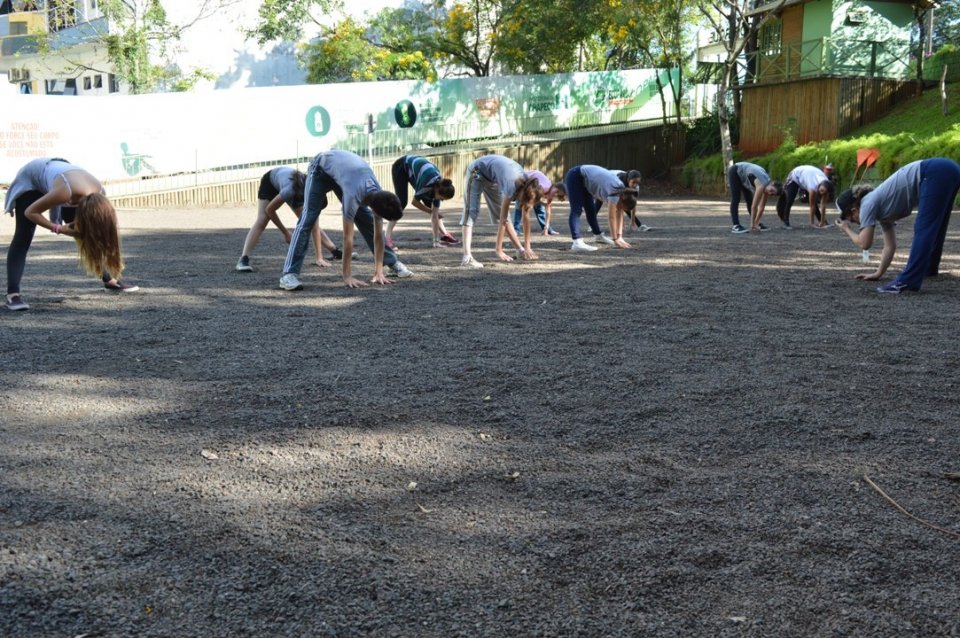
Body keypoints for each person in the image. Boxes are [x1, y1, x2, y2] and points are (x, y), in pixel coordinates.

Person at [3, 157, 136, 311]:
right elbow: (30, 212)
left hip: (64, 180)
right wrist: (58, 228)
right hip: (32, 179)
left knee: (88, 234)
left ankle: (109, 279)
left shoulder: (99, 194)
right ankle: (13, 295)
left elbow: (92, 231)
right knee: (23, 237)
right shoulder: (65, 192)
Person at [278, 150, 411, 290]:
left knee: (366, 219)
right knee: (308, 217)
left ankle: (391, 262)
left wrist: (379, 272)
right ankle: (288, 275)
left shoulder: (380, 195)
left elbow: (378, 236)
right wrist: (347, 276)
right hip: (321, 169)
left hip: (346, 173)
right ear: (376, 210)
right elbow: (348, 238)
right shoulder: (353, 195)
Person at [834, 157, 960, 294]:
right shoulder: (880, 209)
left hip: (933, 172)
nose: (856, 223)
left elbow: (865, 243)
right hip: (946, 169)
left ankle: (908, 281)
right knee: (937, 225)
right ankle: (929, 268)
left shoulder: (867, 204)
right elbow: (890, 246)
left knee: (924, 228)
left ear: (854, 210)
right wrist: (878, 273)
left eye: (852, 221)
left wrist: (846, 228)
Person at [236, 166, 344, 272]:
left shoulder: (313, 191)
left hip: (293, 188)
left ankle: (334, 250)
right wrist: (285, 232)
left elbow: (314, 226)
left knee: (308, 221)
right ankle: (243, 259)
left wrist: (319, 258)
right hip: (270, 182)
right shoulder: (290, 190)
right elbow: (269, 210)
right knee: (262, 219)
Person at [459, 154, 542, 269]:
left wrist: (527, 248)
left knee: (503, 215)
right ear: (523, 192)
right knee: (471, 211)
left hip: (492, 178)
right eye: (524, 200)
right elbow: (503, 219)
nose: (523, 203)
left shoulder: (529, 186)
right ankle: (467, 258)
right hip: (477, 171)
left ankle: (520, 250)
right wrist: (499, 249)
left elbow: (526, 218)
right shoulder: (511, 185)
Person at [388, 154, 459, 250]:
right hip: (401, 166)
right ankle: (386, 238)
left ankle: (444, 235)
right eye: (442, 198)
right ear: (437, 190)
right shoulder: (426, 184)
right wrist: (430, 211)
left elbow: (435, 215)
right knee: (402, 202)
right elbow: (415, 202)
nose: (441, 200)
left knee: (431, 204)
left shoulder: (440, 185)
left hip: (418, 172)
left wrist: (436, 242)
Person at [563, 164, 637, 252]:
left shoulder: (622, 192)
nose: (619, 208)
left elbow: (619, 213)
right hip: (576, 175)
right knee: (576, 210)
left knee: (591, 210)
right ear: (622, 199)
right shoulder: (615, 191)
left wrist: (619, 236)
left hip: (585, 180)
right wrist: (615, 239)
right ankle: (576, 242)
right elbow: (611, 217)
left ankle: (598, 236)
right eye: (621, 206)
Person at [726, 162, 782, 233]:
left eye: (772, 194)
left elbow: (761, 207)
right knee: (736, 198)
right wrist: (752, 225)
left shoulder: (767, 187)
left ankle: (756, 223)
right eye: (771, 190)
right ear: (772, 183)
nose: (770, 193)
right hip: (736, 170)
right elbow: (754, 206)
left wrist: (756, 222)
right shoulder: (761, 186)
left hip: (745, 175)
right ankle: (736, 225)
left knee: (749, 199)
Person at [777, 165, 835, 229]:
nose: (821, 193)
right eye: (821, 191)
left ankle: (822, 222)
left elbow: (823, 205)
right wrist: (812, 224)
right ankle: (786, 222)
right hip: (795, 176)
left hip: (807, 176)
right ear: (821, 186)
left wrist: (822, 223)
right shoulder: (813, 186)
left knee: (814, 202)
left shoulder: (827, 184)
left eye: (824, 192)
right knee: (790, 200)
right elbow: (812, 205)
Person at [511, 170, 565, 236]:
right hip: (523, 180)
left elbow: (548, 211)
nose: (555, 194)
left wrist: (546, 228)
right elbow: (532, 196)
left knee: (539, 208)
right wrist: (540, 203)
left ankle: (547, 229)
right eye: (556, 191)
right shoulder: (545, 187)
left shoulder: (551, 193)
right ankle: (516, 229)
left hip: (533, 187)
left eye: (558, 195)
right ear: (554, 186)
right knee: (520, 205)